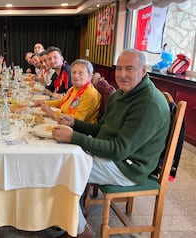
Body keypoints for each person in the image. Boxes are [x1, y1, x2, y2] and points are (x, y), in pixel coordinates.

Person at [52, 49, 171, 238]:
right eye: (119, 69)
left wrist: (74, 137)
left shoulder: (148, 104)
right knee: (60, 155)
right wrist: (75, 124)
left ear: (143, 71)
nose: (122, 75)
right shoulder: (120, 95)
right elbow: (102, 129)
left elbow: (119, 151)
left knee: (62, 168)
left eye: (129, 69)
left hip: (130, 167)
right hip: (115, 156)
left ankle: (81, 230)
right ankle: (70, 217)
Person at [35, 59, 101, 123]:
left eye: (80, 73)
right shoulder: (73, 88)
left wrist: (52, 113)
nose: (76, 75)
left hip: (77, 130)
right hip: (63, 118)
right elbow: (61, 101)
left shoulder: (90, 94)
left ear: (90, 76)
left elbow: (78, 120)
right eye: (74, 72)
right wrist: (44, 102)